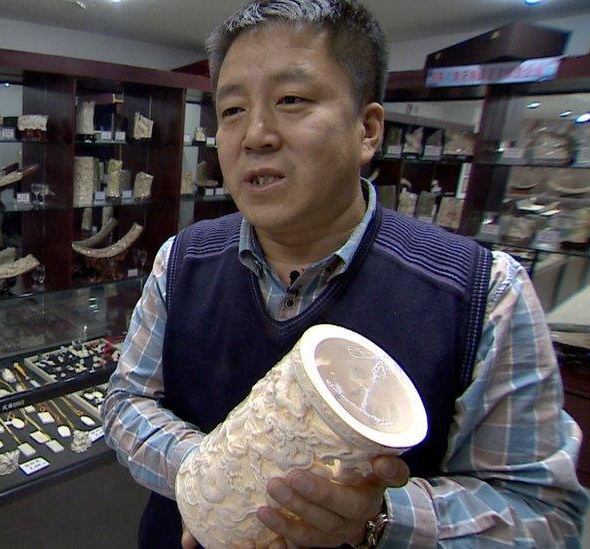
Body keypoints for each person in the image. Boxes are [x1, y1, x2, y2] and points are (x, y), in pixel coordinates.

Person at [102, 1, 588, 547]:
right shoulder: (181, 260)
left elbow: (544, 516)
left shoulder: (484, 293)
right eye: (232, 110)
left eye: (291, 100)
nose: (255, 135)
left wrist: (379, 518)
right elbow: (126, 403)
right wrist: (210, 478)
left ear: (367, 129)